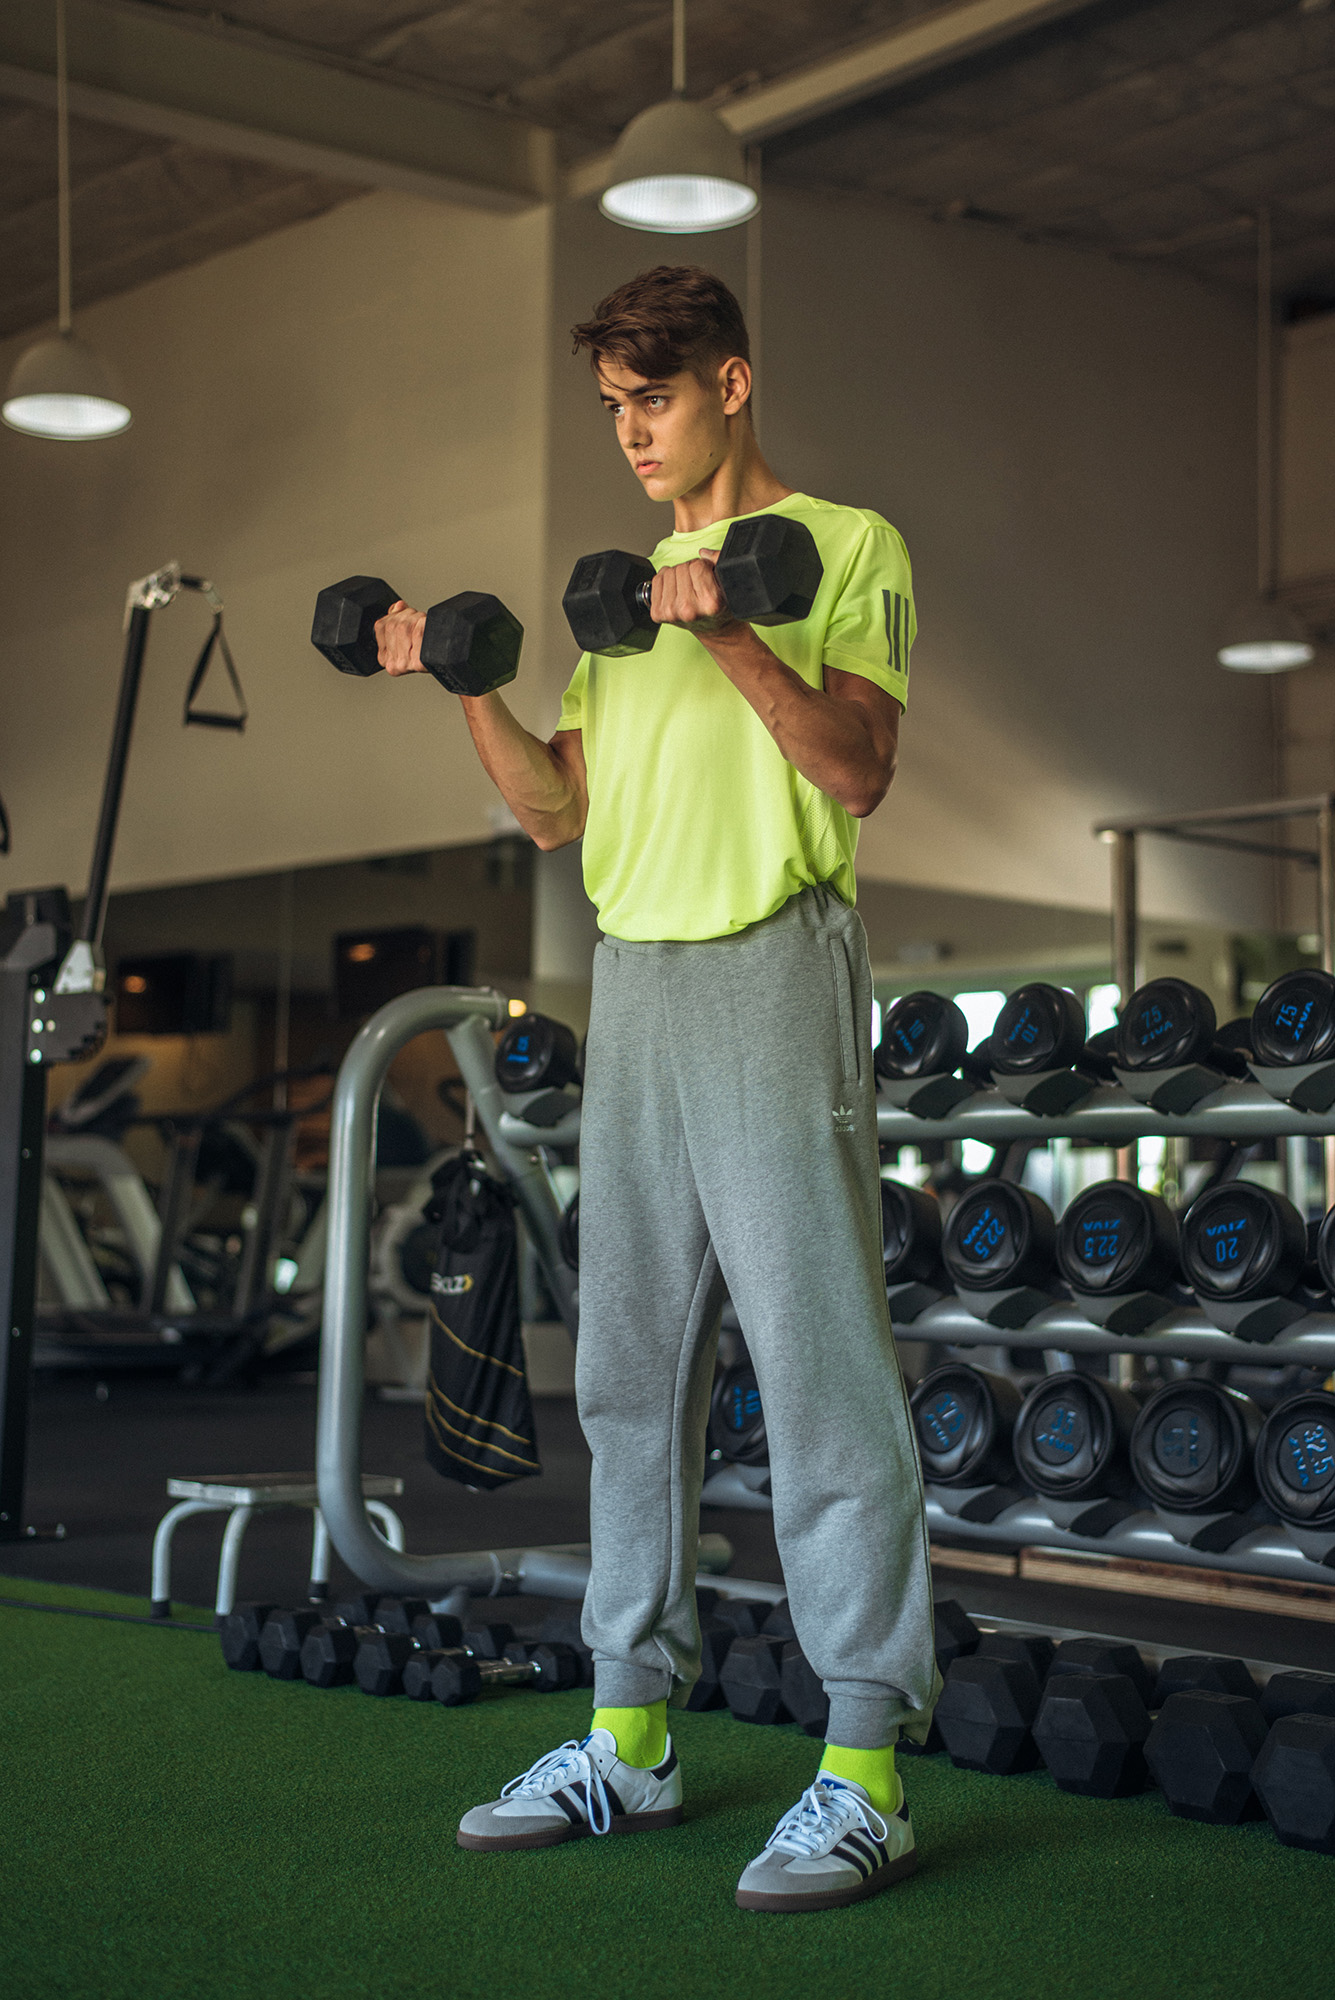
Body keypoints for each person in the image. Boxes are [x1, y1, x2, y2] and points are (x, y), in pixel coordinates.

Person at [376, 264, 938, 1913]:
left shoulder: (846, 545)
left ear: (735, 386)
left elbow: (859, 768)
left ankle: (867, 1765)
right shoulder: (620, 603)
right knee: (626, 1373)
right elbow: (558, 815)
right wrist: (467, 681)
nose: (632, 435)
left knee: (819, 1364)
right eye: (614, 408)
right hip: (634, 980)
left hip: (775, 964)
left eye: (657, 401)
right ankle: (631, 1732)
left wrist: (738, 631)